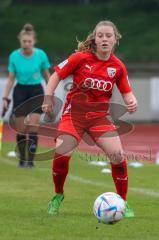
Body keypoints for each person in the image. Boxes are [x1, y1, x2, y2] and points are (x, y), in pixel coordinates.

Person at [42, 20, 137, 217]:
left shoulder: (118, 66)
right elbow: (55, 76)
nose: (104, 39)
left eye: (108, 36)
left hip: (99, 119)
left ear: (115, 39)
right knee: (62, 152)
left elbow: (127, 93)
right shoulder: (79, 58)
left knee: (118, 156)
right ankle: (58, 195)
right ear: (94, 38)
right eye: (100, 35)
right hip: (73, 116)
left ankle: (122, 202)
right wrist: (48, 98)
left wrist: (132, 101)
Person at [2, 23, 51, 167]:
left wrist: (50, 94)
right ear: (20, 41)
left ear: (34, 41)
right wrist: (6, 97)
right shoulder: (14, 56)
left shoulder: (41, 55)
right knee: (21, 128)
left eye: (29, 41)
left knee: (33, 126)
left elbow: (48, 75)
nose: (26, 44)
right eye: (24, 41)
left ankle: (30, 160)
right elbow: (11, 78)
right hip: (20, 91)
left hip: (36, 91)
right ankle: (22, 159)